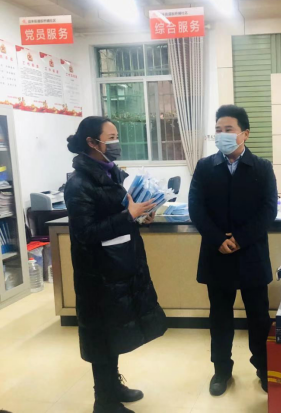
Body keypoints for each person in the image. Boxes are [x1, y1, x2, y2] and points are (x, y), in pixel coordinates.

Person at [64, 116, 167, 413]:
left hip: (120, 266)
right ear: (92, 142)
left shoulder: (114, 174)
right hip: (97, 274)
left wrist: (140, 215)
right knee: (101, 334)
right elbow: (86, 233)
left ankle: (113, 385)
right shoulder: (78, 183)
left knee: (115, 330)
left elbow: (120, 213)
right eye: (110, 138)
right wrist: (128, 216)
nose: (116, 143)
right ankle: (104, 401)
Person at [189, 105, 277, 396]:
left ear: (245, 133)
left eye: (229, 129)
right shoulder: (205, 167)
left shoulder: (262, 167)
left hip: (251, 254)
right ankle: (221, 371)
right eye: (218, 130)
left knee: (258, 318)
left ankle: (263, 368)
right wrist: (218, 239)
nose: (222, 135)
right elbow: (196, 209)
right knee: (220, 319)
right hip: (217, 255)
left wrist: (240, 239)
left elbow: (269, 210)